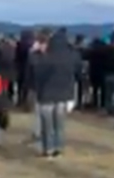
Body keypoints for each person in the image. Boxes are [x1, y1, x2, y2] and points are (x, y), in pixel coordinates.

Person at [30, 29, 82, 158]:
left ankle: (48, 148)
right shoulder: (72, 56)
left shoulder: (46, 57)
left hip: (46, 94)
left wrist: (34, 52)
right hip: (64, 94)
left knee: (47, 125)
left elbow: (36, 73)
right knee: (59, 124)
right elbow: (78, 72)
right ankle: (59, 147)